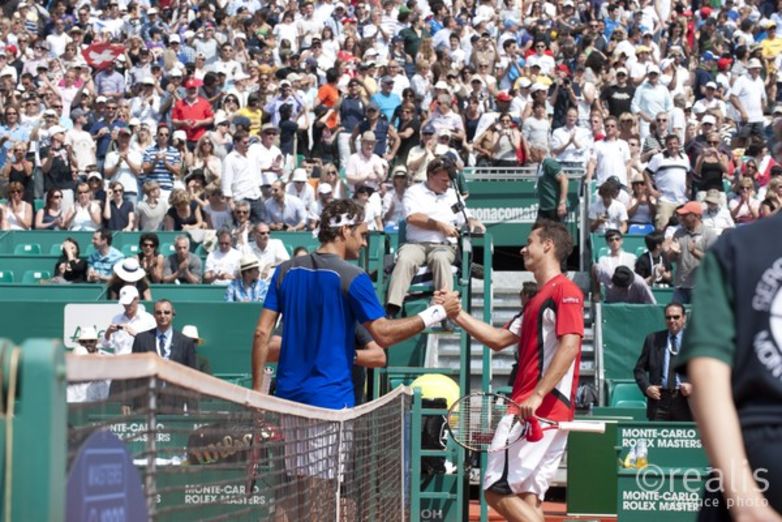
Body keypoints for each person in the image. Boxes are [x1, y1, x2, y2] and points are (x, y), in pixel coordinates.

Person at [251, 198, 461, 406]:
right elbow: (384, 334)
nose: (364, 242)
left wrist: (257, 392)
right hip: (331, 404)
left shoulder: (284, 270)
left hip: (287, 402)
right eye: (362, 235)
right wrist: (438, 312)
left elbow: (261, 333)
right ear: (345, 231)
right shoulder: (354, 277)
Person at [448, 220, 583, 522]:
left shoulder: (565, 290)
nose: (523, 248)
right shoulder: (538, 299)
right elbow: (497, 340)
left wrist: (536, 395)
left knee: (495, 490)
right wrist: (455, 314)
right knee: (527, 497)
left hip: (535, 409)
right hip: (545, 411)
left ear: (548, 246)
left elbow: (570, 346)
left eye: (529, 242)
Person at [677, 213, 782, 521]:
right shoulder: (736, 248)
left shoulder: (736, 247)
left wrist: (744, 501)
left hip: (755, 459)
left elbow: (707, 375)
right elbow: (706, 372)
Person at [386, 157, 485, 316]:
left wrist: (475, 223)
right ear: (431, 176)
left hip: (443, 246)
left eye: (449, 181)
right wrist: (440, 225)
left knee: (440, 259)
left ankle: (446, 309)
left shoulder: (453, 195)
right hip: (415, 244)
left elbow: (465, 216)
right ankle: (393, 307)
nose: (448, 184)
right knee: (405, 259)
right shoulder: (414, 192)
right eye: (444, 180)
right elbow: (412, 217)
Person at [633, 302, 692, 421]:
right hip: (659, 400)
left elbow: (707, 371)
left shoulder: (694, 340)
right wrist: (647, 388)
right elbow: (639, 370)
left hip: (686, 401)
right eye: (668, 317)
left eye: (676, 317)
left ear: (684, 318)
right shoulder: (653, 339)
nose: (672, 320)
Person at [663, 202, 718, 304]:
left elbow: (712, 261)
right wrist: (673, 253)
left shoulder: (709, 234)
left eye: (685, 215)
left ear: (696, 216)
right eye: (681, 215)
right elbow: (670, 259)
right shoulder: (679, 233)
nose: (681, 218)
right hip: (680, 286)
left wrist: (694, 252)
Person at [132, 299, 197, 369]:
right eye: (159, 312)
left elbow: (192, 372)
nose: (162, 316)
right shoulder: (141, 339)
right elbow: (134, 369)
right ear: (154, 315)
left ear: (173, 315)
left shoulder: (186, 342)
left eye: (166, 312)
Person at [101, 286, 157, 355]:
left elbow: (154, 344)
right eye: (125, 303)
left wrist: (137, 335)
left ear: (137, 299)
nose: (127, 305)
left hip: (140, 362)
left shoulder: (149, 319)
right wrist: (108, 332)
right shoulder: (116, 319)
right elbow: (106, 345)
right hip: (120, 362)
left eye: (129, 303)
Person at [66, 327, 111, 403]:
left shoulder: (108, 358)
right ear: (80, 343)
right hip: (78, 403)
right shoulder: (73, 360)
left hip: (101, 404)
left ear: (96, 342)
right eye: (84, 342)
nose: (87, 344)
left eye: (91, 341)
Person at [536, 157, 569, 222]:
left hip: (554, 207)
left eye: (531, 152)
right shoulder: (540, 165)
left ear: (538, 151)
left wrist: (562, 203)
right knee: (538, 230)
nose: (529, 155)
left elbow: (564, 180)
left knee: (556, 231)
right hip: (544, 207)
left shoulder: (549, 163)